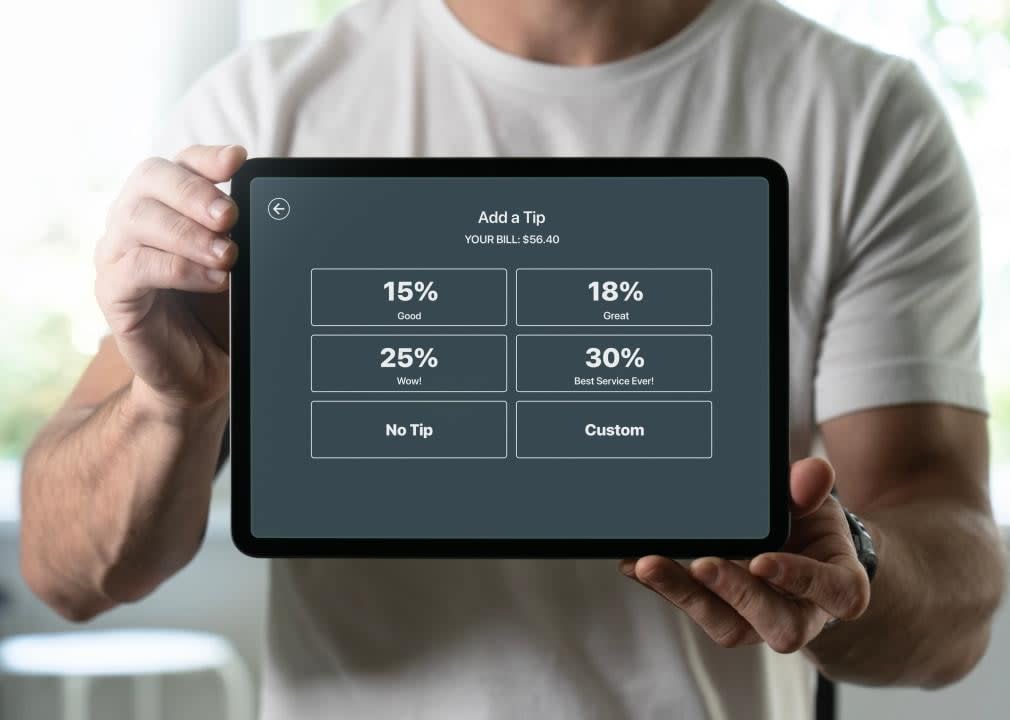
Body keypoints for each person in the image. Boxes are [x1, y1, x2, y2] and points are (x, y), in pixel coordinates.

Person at [20, 0, 1007, 718]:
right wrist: (170, 408)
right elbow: (68, 572)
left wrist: (851, 569)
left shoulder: (864, 114)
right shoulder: (259, 112)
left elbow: (952, 600)